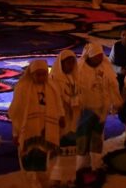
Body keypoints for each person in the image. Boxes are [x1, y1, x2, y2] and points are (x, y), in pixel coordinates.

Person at [8, 60, 62, 188]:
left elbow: (58, 105)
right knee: (28, 159)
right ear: (31, 74)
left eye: (44, 74)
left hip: (44, 131)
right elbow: (17, 113)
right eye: (38, 74)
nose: (41, 77)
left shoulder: (52, 88)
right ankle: (30, 184)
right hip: (28, 132)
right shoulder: (22, 89)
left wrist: (61, 116)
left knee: (43, 158)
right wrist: (15, 133)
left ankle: (43, 182)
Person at [76, 43, 122, 178]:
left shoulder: (105, 68)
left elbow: (113, 85)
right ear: (89, 56)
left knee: (97, 136)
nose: (99, 59)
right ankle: (82, 164)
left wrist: (115, 101)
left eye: (100, 56)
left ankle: (96, 162)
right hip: (85, 110)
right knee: (83, 136)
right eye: (96, 56)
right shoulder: (80, 70)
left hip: (101, 110)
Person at [49, 50, 81, 186]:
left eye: (72, 62)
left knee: (71, 148)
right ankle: (56, 177)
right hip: (60, 118)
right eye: (67, 62)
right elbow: (54, 98)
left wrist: (77, 101)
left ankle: (69, 177)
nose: (70, 65)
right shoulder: (55, 79)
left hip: (73, 117)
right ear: (61, 63)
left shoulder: (75, 78)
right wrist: (68, 102)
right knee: (59, 147)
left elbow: (80, 93)